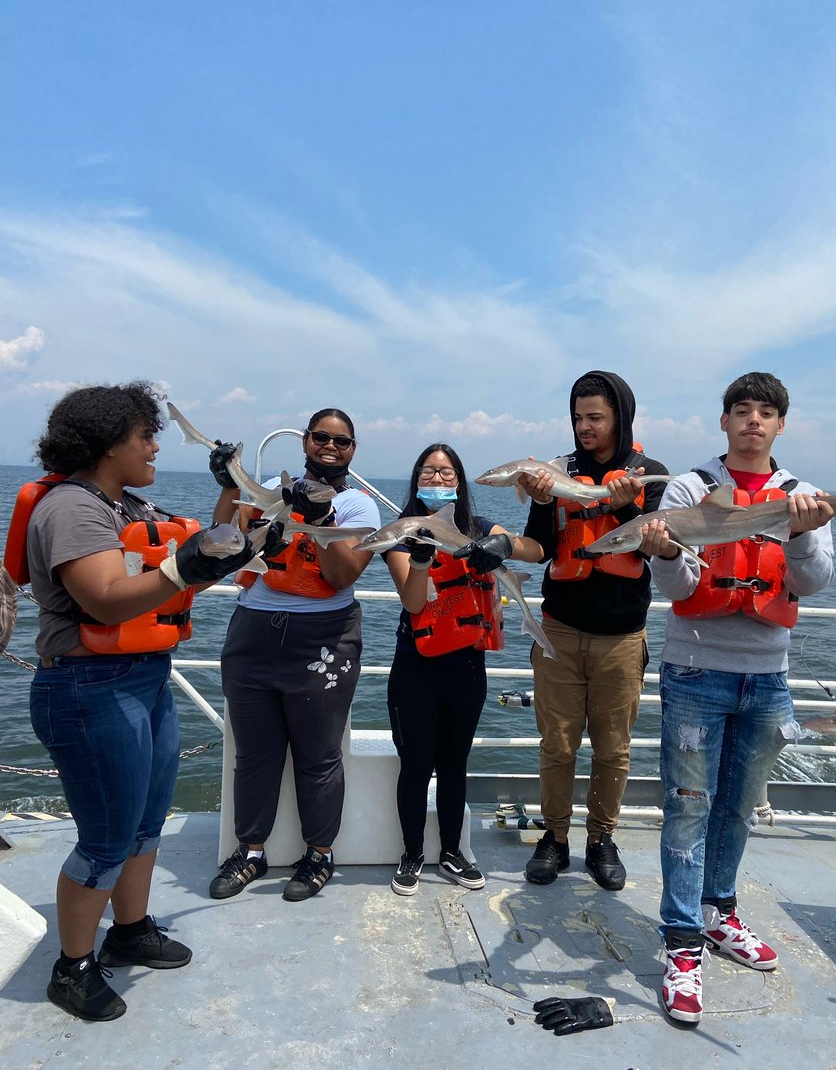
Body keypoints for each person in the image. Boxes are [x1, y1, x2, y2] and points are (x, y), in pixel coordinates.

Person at [20, 382, 255, 1022]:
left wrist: (229, 494)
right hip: (88, 686)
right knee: (105, 837)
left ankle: (129, 928)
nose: (155, 446)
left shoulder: (124, 506)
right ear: (106, 444)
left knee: (146, 821)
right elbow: (104, 597)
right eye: (144, 436)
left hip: (143, 679)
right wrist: (188, 569)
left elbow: (183, 566)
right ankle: (72, 968)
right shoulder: (73, 509)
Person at [641, 371, 834, 1023]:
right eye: (742, 410)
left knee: (738, 810)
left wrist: (804, 533)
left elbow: (816, 579)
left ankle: (719, 912)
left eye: (765, 412)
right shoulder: (689, 490)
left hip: (768, 675)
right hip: (697, 672)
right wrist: (665, 553)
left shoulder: (800, 496)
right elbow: (678, 585)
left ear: (780, 424)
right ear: (723, 421)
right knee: (689, 810)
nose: (753, 421)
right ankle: (681, 943)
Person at [206, 409, 378, 902]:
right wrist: (226, 483)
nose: (330, 447)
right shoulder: (267, 490)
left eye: (341, 442)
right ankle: (250, 852)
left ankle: (320, 854)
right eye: (321, 437)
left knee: (318, 755)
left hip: (322, 635)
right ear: (304, 441)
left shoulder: (358, 506)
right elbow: (218, 543)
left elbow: (342, 575)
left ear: (352, 450)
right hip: (254, 630)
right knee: (254, 754)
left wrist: (320, 517)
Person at [517, 371, 669, 890]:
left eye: (595, 418)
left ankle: (601, 839)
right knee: (557, 744)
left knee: (613, 748)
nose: (584, 427)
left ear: (620, 417)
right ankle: (554, 838)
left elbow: (655, 550)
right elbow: (538, 547)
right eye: (578, 417)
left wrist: (626, 502)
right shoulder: (555, 474)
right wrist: (536, 505)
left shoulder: (651, 475)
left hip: (622, 637)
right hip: (559, 630)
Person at [383, 444, 545, 895]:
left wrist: (504, 544)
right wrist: (419, 558)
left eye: (447, 472)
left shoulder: (476, 527)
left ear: (460, 480)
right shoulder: (401, 533)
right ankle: (412, 853)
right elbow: (415, 602)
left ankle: (452, 852)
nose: (438, 479)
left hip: (467, 665)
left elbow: (535, 551)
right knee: (415, 766)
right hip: (416, 665)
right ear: (416, 480)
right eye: (429, 472)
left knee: (455, 764)